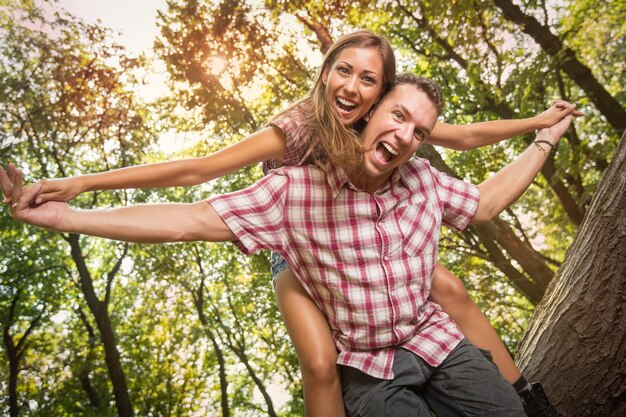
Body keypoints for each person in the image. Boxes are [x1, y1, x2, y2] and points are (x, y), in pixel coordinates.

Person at [4, 30, 575, 416]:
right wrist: (80, 193)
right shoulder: (298, 132)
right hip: (298, 238)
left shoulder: (403, 135)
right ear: (325, 73)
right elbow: (194, 182)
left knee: (447, 289)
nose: (352, 89)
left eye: (369, 80)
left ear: (383, 93)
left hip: (376, 244)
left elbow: (470, 146)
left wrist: (541, 127)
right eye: (343, 73)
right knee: (322, 361)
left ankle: (522, 391)